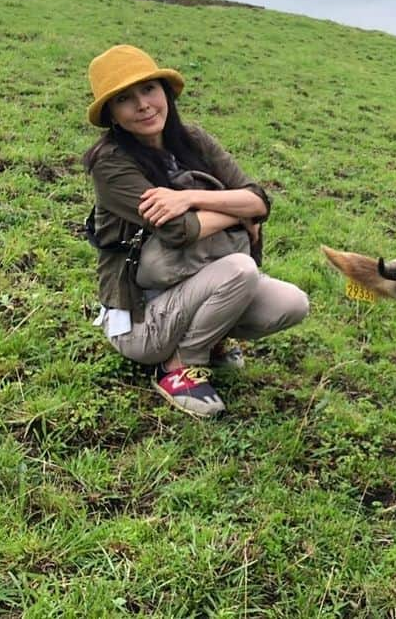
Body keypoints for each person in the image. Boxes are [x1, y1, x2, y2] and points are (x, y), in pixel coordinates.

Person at [83, 44, 309, 418]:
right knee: (240, 269)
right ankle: (179, 367)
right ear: (113, 116)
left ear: (166, 93)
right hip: (142, 320)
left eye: (149, 90)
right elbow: (180, 232)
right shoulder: (110, 164)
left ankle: (210, 338)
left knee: (292, 303)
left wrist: (187, 196)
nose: (143, 104)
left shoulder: (194, 141)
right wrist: (237, 214)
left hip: (198, 283)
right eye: (125, 99)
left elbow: (259, 200)